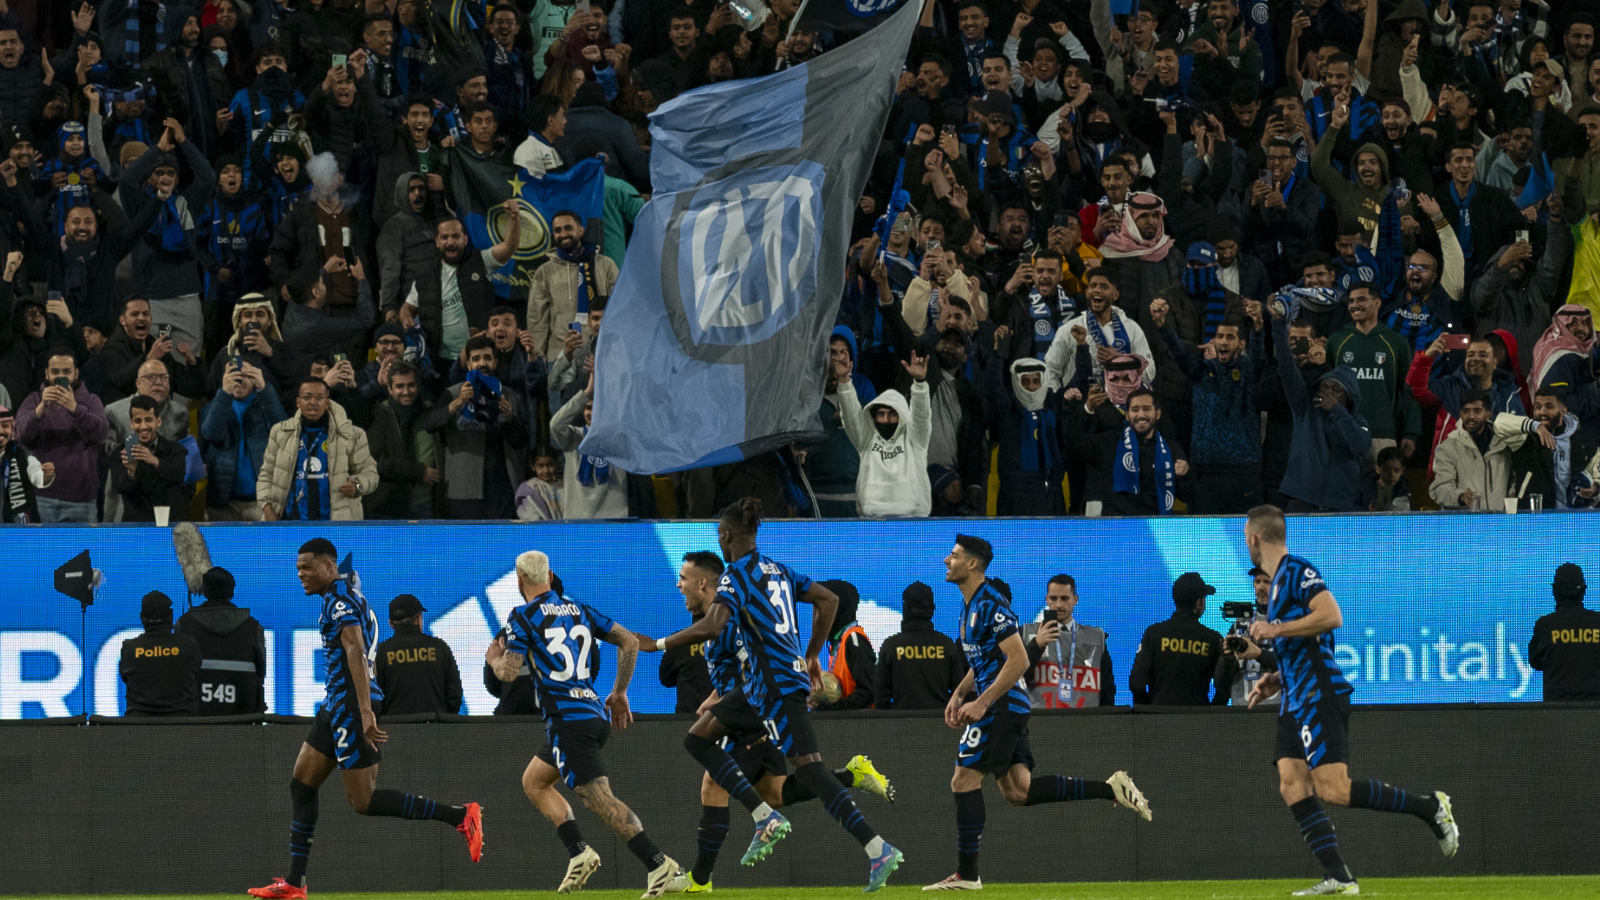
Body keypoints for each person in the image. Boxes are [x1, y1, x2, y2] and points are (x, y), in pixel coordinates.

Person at [637, 499, 904, 892]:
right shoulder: (778, 569)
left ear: (726, 536)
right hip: (767, 686)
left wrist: (656, 644)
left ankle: (874, 846)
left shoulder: (735, 578)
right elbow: (828, 600)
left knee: (803, 770)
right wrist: (810, 655)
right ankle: (769, 818)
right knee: (720, 754)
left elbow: (713, 627)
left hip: (771, 686)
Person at [247, 538, 482, 900]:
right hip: (336, 705)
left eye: (307, 567)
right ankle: (294, 883)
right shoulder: (345, 595)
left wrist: (365, 711)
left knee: (364, 801)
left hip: (351, 706)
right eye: (298, 569)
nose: (301, 575)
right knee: (302, 784)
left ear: (329, 566)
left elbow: (355, 649)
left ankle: (460, 815)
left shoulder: (339, 601)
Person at [1241, 505, 1458, 897]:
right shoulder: (1277, 584)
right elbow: (1310, 641)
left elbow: (1331, 616)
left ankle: (1429, 808)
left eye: (1246, 538)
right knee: (1292, 784)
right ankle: (1339, 876)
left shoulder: (1296, 570)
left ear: (1254, 538)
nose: (1247, 545)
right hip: (1294, 698)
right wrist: (1276, 678)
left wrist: (1275, 629)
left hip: (1318, 693)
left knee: (1333, 789)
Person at [926, 534, 1150, 890]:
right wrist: (960, 692)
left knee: (963, 780)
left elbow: (1018, 660)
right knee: (1019, 791)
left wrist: (981, 701)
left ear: (972, 563)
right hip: (1005, 705)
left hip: (1000, 706)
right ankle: (1110, 789)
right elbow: (987, 659)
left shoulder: (991, 603)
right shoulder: (970, 604)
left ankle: (967, 876)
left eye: (953, 555)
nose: (946, 560)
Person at [484, 550, 680, 897]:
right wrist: (619, 692)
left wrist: (494, 659)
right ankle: (579, 852)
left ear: (519, 581)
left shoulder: (522, 616)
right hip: (591, 713)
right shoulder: (580, 610)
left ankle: (658, 864)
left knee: (600, 800)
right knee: (535, 781)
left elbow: (509, 673)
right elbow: (630, 641)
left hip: (568, 722)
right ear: (550, 575)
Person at [258, 378, 379, 521]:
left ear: (327, 402)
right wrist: (267, 508)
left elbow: (370, 472)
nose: (313, 402)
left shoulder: (352, 434)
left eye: (319, 397)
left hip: (335, 524)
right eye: (307, 397)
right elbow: (266, 475)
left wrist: (358, 485)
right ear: (298, 402)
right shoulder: (280, 432)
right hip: (289, 523)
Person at [836, 350, 933, 517]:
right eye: (881, 414)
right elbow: (850, 414)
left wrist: (919, 383)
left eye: (892, 414)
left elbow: (921, 415)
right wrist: (844, 381)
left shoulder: (915, 439)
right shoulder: (866, 438)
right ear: (874, 416)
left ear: (901, 415)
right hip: (871, 520)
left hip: (913, 521)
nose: (886, 419)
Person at [15, 350, 108, 523]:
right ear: (47, 373)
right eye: (55, 371)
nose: (60, 377)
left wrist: (75, 409)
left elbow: (100, 434)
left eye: (66, 372)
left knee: (84, 542)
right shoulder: (34, 400)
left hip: (82, 499)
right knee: (41, 542)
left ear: (76, 373)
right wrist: (41, 408)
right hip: (41, 496)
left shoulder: (91, 401)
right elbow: (21, 435)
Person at [200, 361, 287, 521]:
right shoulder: (212, 407)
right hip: (223, 502)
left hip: (262, 502)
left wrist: (265, 389)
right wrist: (224, 394)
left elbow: (284, 433)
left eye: (245, 375)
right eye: (233, 374)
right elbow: (212, 433)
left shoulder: (265, 405)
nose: (239, 380)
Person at [176, 567, 268, 715]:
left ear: (205, 591)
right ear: (232, 591)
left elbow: (176, 671)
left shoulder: (184, 624)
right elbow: (261, 671)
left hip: (195, 717)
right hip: (243, 717)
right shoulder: (253, 627)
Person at [1129, 573, 1227, 706]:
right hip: (1198, 717)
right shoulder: (1213, 639)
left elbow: (1136, 683)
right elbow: (1224, 686)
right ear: (1198, 603)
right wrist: (1212, 711)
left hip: (1159, 716)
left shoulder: (1153, 634)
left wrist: (1148, 709)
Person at [1019, 574, 1114, 709]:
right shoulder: (1026, 633)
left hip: (1086, 718)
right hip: (1041, 717)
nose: (1058, 605)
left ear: (1075, 600)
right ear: (1047, 600)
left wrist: (1106, 718)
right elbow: (1015, 678)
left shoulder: (1095, 638)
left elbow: (1107, 688)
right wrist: (1037, 645)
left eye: (1064, 598)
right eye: (1053, 598)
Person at [874, 581, 965, 711]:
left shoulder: (891, 646)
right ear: (932, 609)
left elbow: (880, 698)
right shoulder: (947, 645)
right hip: (940, 721)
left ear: (905, 608)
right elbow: (960, 692)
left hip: (900, 721)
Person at [375, 594, 463, 717]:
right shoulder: (440, 648)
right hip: (435, 725)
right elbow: (455, 694)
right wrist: (443, 717)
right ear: (418, 619)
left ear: (391, 624)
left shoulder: (380, 652)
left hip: (395, 726)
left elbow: (374, 696)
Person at [110, 394, 190, 522]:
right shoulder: (121, 452)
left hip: (168, 522)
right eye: (138, 421)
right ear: (131, 423)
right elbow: (118, 488)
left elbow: (179, 475)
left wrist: (154, 460)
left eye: (148, 420)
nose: (143, 426)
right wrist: (131, 472)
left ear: (158, 421)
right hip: (136, 525)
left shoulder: (175, 449)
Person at [120, 592, 202, 717]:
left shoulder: (129, 649)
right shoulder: (188, 645)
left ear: (142, 617)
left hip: (139, 725)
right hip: (182, 724)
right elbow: (197, 673)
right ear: (171, 616)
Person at [1429, 389, 1513, 511]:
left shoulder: (1504, 445)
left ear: (1487, 414)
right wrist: (1459, 497)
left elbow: (1514, 478)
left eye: (1477, 411)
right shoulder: (1447, 448)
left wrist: (1512, 493)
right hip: (1465, 522)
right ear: (1461, 414)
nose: (1471, 416)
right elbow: (1439, 488)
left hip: (1499, 521)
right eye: (1466, 411)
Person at [1529, 563, 1600, 701]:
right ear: (1583, 591)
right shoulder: (1597, 623)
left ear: (1554, 591)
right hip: (1595, 711)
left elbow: (1535, 662)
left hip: (1556, 711)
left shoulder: (1545, 626)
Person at [659, 552, 716, 715]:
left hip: (690, 727)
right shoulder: (741, 632)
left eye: (683, 578)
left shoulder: (680, 642)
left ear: (701, 583)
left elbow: (666, 678)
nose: (678, 585)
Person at [813, 580, 876, 712]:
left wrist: (833, 710)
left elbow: (868, 692)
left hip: (860, 722)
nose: (817, 613)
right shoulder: (838, 642)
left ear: (837, 608)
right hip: (847, 721)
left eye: (821, 606)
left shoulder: (853, 640)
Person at [0, 404, 50, 523]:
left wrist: (44, 476)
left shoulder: (21, 454)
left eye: (5, 426)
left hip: (17, 526)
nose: (1, 431)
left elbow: (36, 471)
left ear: (12, 429)